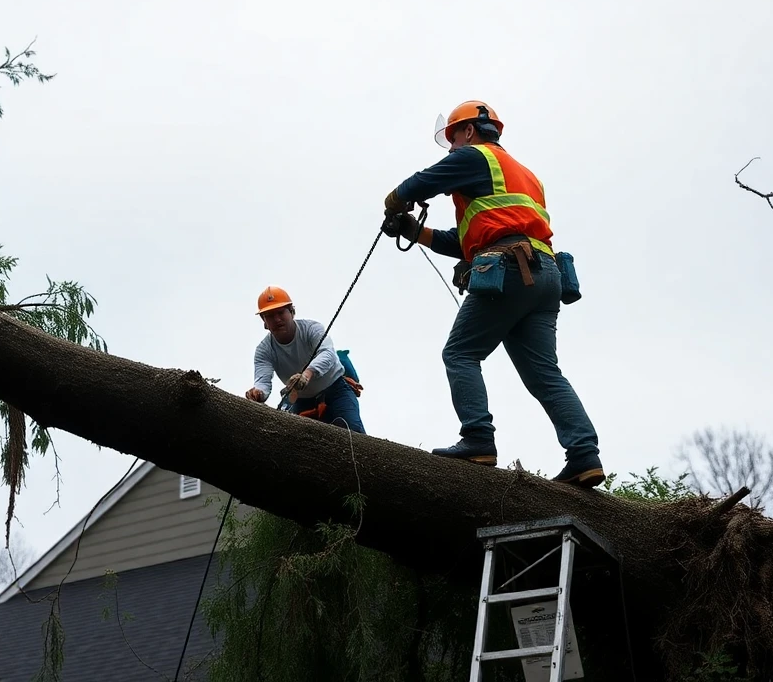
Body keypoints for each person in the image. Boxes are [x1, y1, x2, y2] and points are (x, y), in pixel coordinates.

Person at [381, 100, 602, 487]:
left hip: (510, 269)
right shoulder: (525, 174)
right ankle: (585, 456)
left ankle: (478, 439)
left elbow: (420, 183)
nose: (451, 147)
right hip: (544, 273)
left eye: (453, 137)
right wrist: (416, 231)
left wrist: (396, 199)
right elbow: (467, 239)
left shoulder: (474, 156)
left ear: (468, 131)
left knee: (460, 353)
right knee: (545, 374)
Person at [245, 285, 366, 434]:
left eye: (281, 312)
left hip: (336, 390)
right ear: (264, 322)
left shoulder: (311, 329)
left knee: (353, 433)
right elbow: (263, 381)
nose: (277, 319)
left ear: (291, 311)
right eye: (270, 315)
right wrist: (258, 394)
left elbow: (327, 354)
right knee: (300, 443)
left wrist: (307, 374)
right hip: (302, 401)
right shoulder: (264, 351)